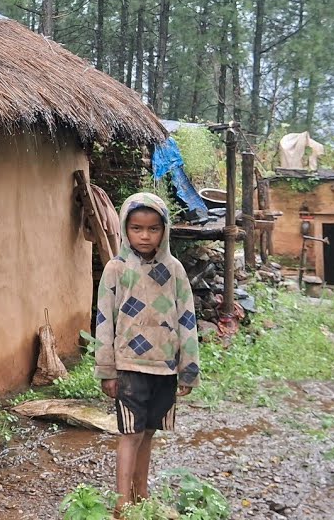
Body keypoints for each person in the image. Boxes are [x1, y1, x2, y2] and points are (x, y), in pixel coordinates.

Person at [94, 192, 200, 515]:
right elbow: (103, 320)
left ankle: (141, 493)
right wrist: (106, 369)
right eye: (137, 228)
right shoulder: (116, 269)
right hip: (128, 367)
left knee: (148, 433)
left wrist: (189, 368)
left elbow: (187, 319)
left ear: (164, 230)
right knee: (130, 434)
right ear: (125, 228)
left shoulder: (175, 271)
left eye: (153, 228)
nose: (144, 235)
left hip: (165, 369)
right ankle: (122, 502)